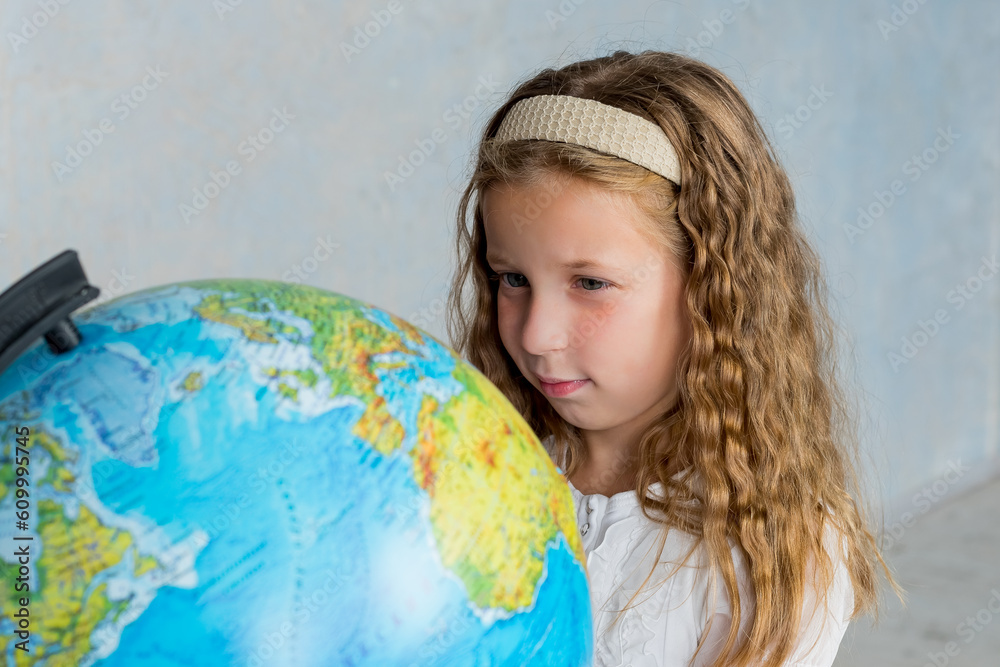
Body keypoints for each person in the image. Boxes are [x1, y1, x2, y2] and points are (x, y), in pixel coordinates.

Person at [445, 50, 901, 666]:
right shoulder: (464, 468)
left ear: (711, 289)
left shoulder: (768, 553)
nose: (537, 336)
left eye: (591, 283)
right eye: (513, 279)